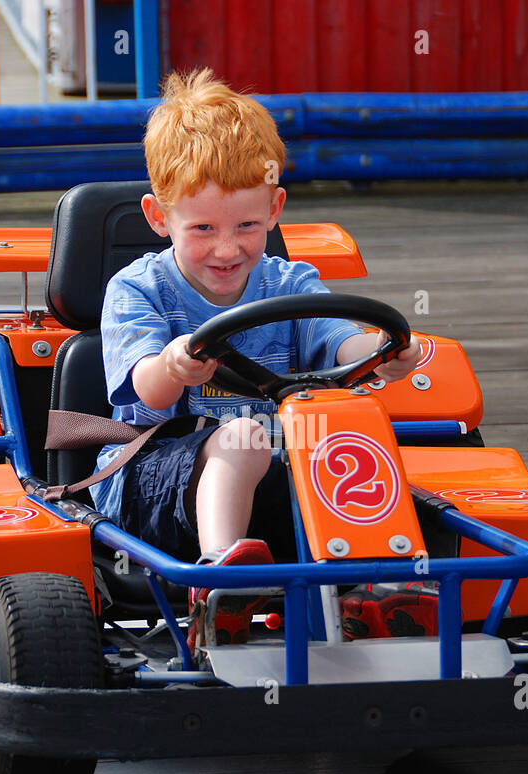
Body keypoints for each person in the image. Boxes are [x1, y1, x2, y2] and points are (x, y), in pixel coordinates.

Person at [93, 68, 420, 646]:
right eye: (202, 228)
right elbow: (145, 390)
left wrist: (381, 351)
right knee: (242, 437)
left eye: (246, 224)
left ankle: (373, 589)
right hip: (152, 482)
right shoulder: (138, 290)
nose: (227, 248)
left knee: (347, 432)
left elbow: (337, 338)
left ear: (275, 209)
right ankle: (223, 586)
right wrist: (171, 365)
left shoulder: (290, 282)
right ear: (157, 217)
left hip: (275, 478)